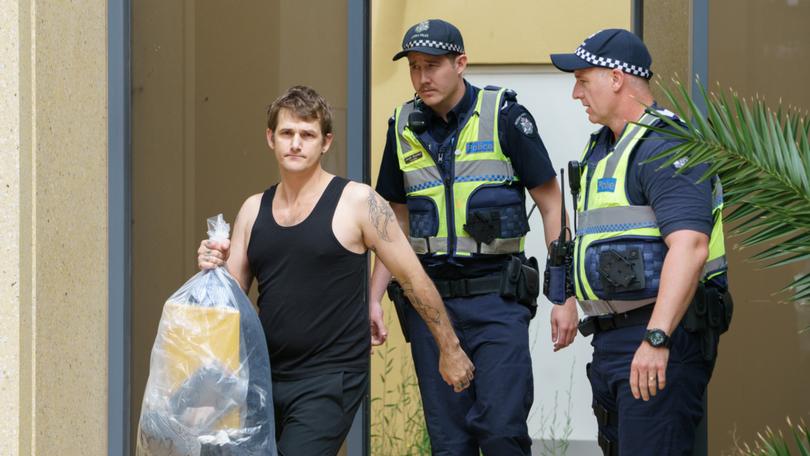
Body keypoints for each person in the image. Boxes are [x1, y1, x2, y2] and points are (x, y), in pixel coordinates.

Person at [197, 85, 475, 456]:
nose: (296, 143)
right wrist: (211, 265)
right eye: (287, 133)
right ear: (270, 138)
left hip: (330, 378)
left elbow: (413, 278)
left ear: (325, 142)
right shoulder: (252, 209)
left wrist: (450, 349)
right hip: (264, 376)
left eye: (307, 134)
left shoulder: (358, 202)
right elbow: (229, 304)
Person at [370, 19, 579, 455]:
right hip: (430, 305)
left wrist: (564, 293)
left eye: (432, 65)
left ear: (460, 63)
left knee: (502, 432)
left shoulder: (505, 116)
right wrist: (374, 296)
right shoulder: (401, 125)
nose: (422, 77)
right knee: (449, 443)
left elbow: (550, 203)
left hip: (497, 302)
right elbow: (395, 221)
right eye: (413, 67)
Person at [550, 29, 731, 455]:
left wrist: (656, 339)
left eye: (583, 79)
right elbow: (598, 238)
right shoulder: (605, 148)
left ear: (616, 78)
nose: (576, 93)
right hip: (615, 340)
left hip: (658, 335)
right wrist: (569, 298)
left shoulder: (665, 145)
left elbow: (690, 247)